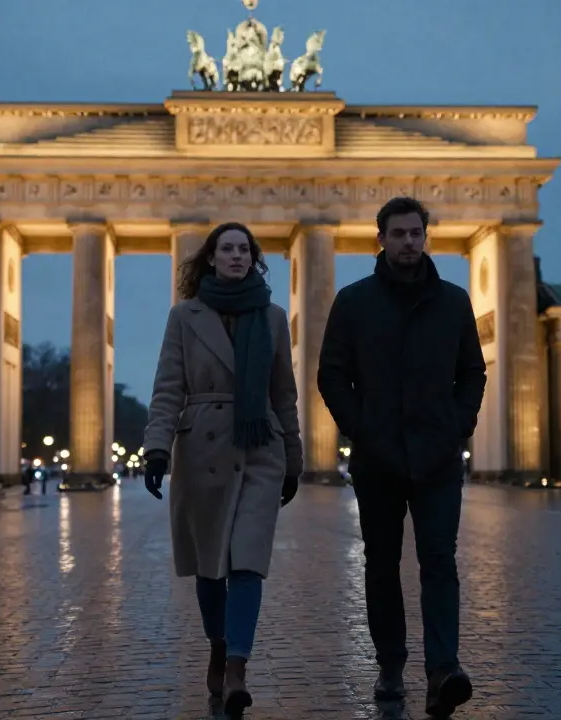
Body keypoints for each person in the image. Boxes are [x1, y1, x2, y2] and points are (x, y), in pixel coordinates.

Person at [317, 196, 487, 718]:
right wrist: (361, 429)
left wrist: (459, 426)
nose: (409, 242)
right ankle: (391, 666)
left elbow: (473, 373)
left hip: (437, 459)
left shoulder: (455, 302)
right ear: (382, 239)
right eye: (399, 234)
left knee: (440, 562)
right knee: (382, 566)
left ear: (426, 236)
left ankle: (443, 670)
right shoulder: (353, 302)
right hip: (379, 460)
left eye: (416, 233)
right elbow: (331, 375)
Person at [142, 221, 303, 715]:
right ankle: (217, 645)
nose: (236, 256)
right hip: (203, 448)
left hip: (259, 446)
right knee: (210, 568)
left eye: (244, 250)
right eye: (226, 249)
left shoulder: (274, 316)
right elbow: (169, 385)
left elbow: (284, 392)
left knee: (248, 561)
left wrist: (294, 456)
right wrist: (157, 447)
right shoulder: (183, 316)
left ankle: (237, 666)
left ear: (253, 259)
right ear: (211, 258)